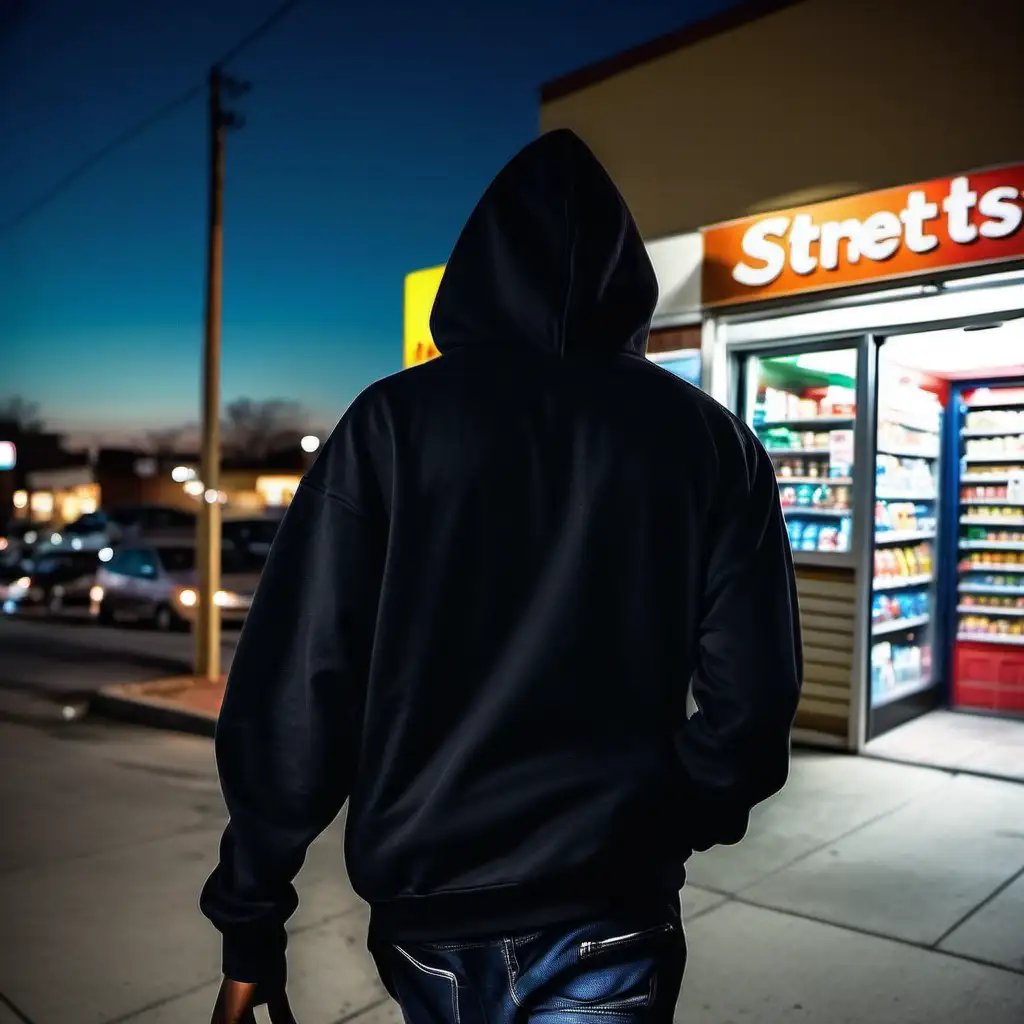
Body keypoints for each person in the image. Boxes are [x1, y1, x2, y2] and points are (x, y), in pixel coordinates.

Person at [201, 128, 803, 1024]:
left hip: (431, 908)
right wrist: (667, 822)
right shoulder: (711, 443)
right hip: (612, 905)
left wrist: (253, 918)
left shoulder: (391, 426)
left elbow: (300, 688)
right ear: (626, 276)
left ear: (474, 269)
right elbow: (753, 702)